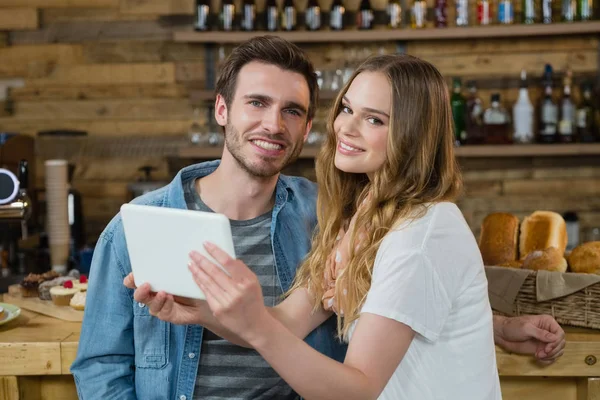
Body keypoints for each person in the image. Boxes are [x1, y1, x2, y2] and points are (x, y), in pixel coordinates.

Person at [132, 54, 566, 400]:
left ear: (411, 136)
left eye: (374, 119)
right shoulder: (361, 219)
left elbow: (357, 388)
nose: (346, 128)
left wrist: (254, 324)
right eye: (347, 109)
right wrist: (201, 310)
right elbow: (285, 322)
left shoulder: (423, 229)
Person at [70, 35, 347, 400]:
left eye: (292, 111)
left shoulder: (331, 220)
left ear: (307, 128)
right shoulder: (131, 229)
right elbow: (101, 367)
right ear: (222, 109)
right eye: (257, 103)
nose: (274, 124)